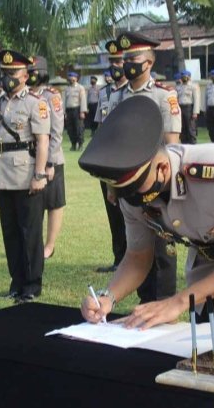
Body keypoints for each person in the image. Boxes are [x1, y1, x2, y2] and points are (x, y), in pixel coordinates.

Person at [78, 95, 214, 330]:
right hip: (208, 271)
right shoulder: (133, 192)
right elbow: (137, 257)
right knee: (206, 358)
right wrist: (107, 297)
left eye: (133, 189)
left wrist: (179, 301)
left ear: (162, 168)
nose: (127, 199)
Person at [111, 31, 182, 303]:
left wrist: (167, 184)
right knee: (137, 243)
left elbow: (172, 144)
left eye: (134, 58)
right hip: (125, 181)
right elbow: (110, 146)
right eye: (126, 58)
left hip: (156, 180)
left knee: (162, 243)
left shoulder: (164, 96)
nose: (128, 63)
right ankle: (144, 298)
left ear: (149, 63)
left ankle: (163, 300)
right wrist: (111, 186)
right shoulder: (116, 97)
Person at [0, 49, 50, 304]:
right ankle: (16, 282)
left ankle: (32, 284)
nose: (8, 78)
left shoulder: (35, 103)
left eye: (13, 73)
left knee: (30, 233)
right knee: (10, 232)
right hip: (3, 174)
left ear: (26, 75)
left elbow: (42, 142)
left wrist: (39, 174)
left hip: (26, 175)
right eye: (5, 73)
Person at [94, 40, 129, 273]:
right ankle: (119, 259)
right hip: (108, 162)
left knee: (132, 214)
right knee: (113, 213)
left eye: (119, 61)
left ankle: (133, 260)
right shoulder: (104, 92)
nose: (115, 66)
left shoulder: (134, 91)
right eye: (112, 61)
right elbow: (99, 127)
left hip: (129, 160)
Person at [27, 59, 65, 260]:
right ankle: (34, 244)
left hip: (52, 159)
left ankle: (49, 245)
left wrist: (50, 162)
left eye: (34, 71)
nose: (31, 75)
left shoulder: (52, 96)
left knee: (54, 203)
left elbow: (57, 130)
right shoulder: (24, 95)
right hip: (30, 158)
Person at [63, 71, 87, 151]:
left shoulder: (80, 88)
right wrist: (64, 113)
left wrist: (82, 111)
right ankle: (73, 144)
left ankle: (80, 144)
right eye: (70, 77)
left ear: (76, 78)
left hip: (77, 110)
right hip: (69, 110)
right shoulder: (66, 89)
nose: (71, 79)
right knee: (70, 129)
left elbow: (83, 100)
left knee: (79, 128)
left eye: (73, 77)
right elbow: (64, 101)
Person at [175, 70, 200, 144]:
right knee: (182, 128)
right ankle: (184, 143)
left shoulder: (193, 86)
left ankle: (193, 143)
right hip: (180, 108)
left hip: (189, 108)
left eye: (185, 77)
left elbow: (196, 99)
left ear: (189, 77)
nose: (184, 78)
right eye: (182, 77)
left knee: (191, 128)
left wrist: (195, 112)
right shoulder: (179, 87)